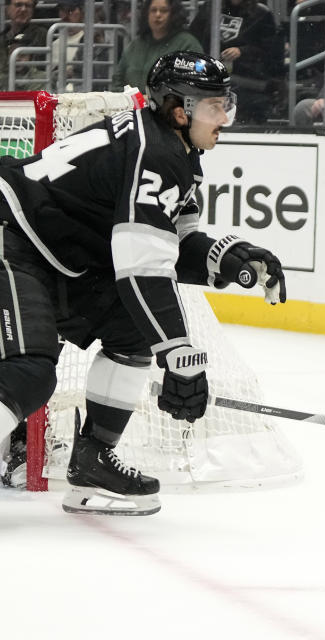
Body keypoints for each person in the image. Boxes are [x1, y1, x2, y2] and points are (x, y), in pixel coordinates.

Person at [0, 51, 287, 515]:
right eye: (216, 104)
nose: (226, 115)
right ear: (181, 109)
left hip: (52, 256)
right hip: (10, 233)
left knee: (134, 331)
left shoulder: (174, 152)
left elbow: (173, 246)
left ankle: (94, 459)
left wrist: (229, 259)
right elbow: (142, 269)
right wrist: (179, 356)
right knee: (30, 371)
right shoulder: (157, 154)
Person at [189, 0, 282, 124]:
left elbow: (271, 52)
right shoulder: (210, 7)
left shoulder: (261, 14)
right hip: (208, 76)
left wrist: (242, 51)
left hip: (248, 80)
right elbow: (193, 39)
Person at [111, 0, 203, 92]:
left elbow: (194, 84)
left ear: (173, 14)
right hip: (132, 104)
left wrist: (155, 99)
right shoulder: (135, 45)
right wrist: (133, 99)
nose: (158, 15)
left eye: (164, 11)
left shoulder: (188, 44)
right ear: (147, 14)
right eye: (153, 10)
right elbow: (117, 82)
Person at [0, 0, 46, 89]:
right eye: (18, 5)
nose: (23, 9)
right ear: (7, 8)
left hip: (32, 88)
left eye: (28, 6)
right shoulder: (2, 38)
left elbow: (39, 68)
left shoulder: (41, 35)